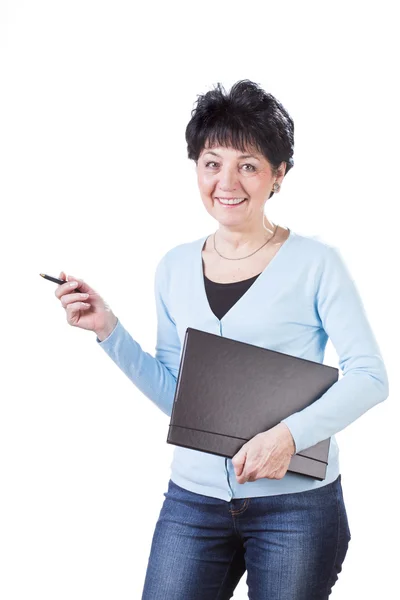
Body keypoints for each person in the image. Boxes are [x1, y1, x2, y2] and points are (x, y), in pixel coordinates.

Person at [55, 79, 389, 599]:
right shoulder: (174, 267)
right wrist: (109, 331)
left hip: (296, 508)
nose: (227, 181)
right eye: (212, 163)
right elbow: (181, 399)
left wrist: (290, 437)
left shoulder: (317, 265)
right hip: (193, 502)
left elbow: (370, 377)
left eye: (248, 165)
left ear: (278, 175)